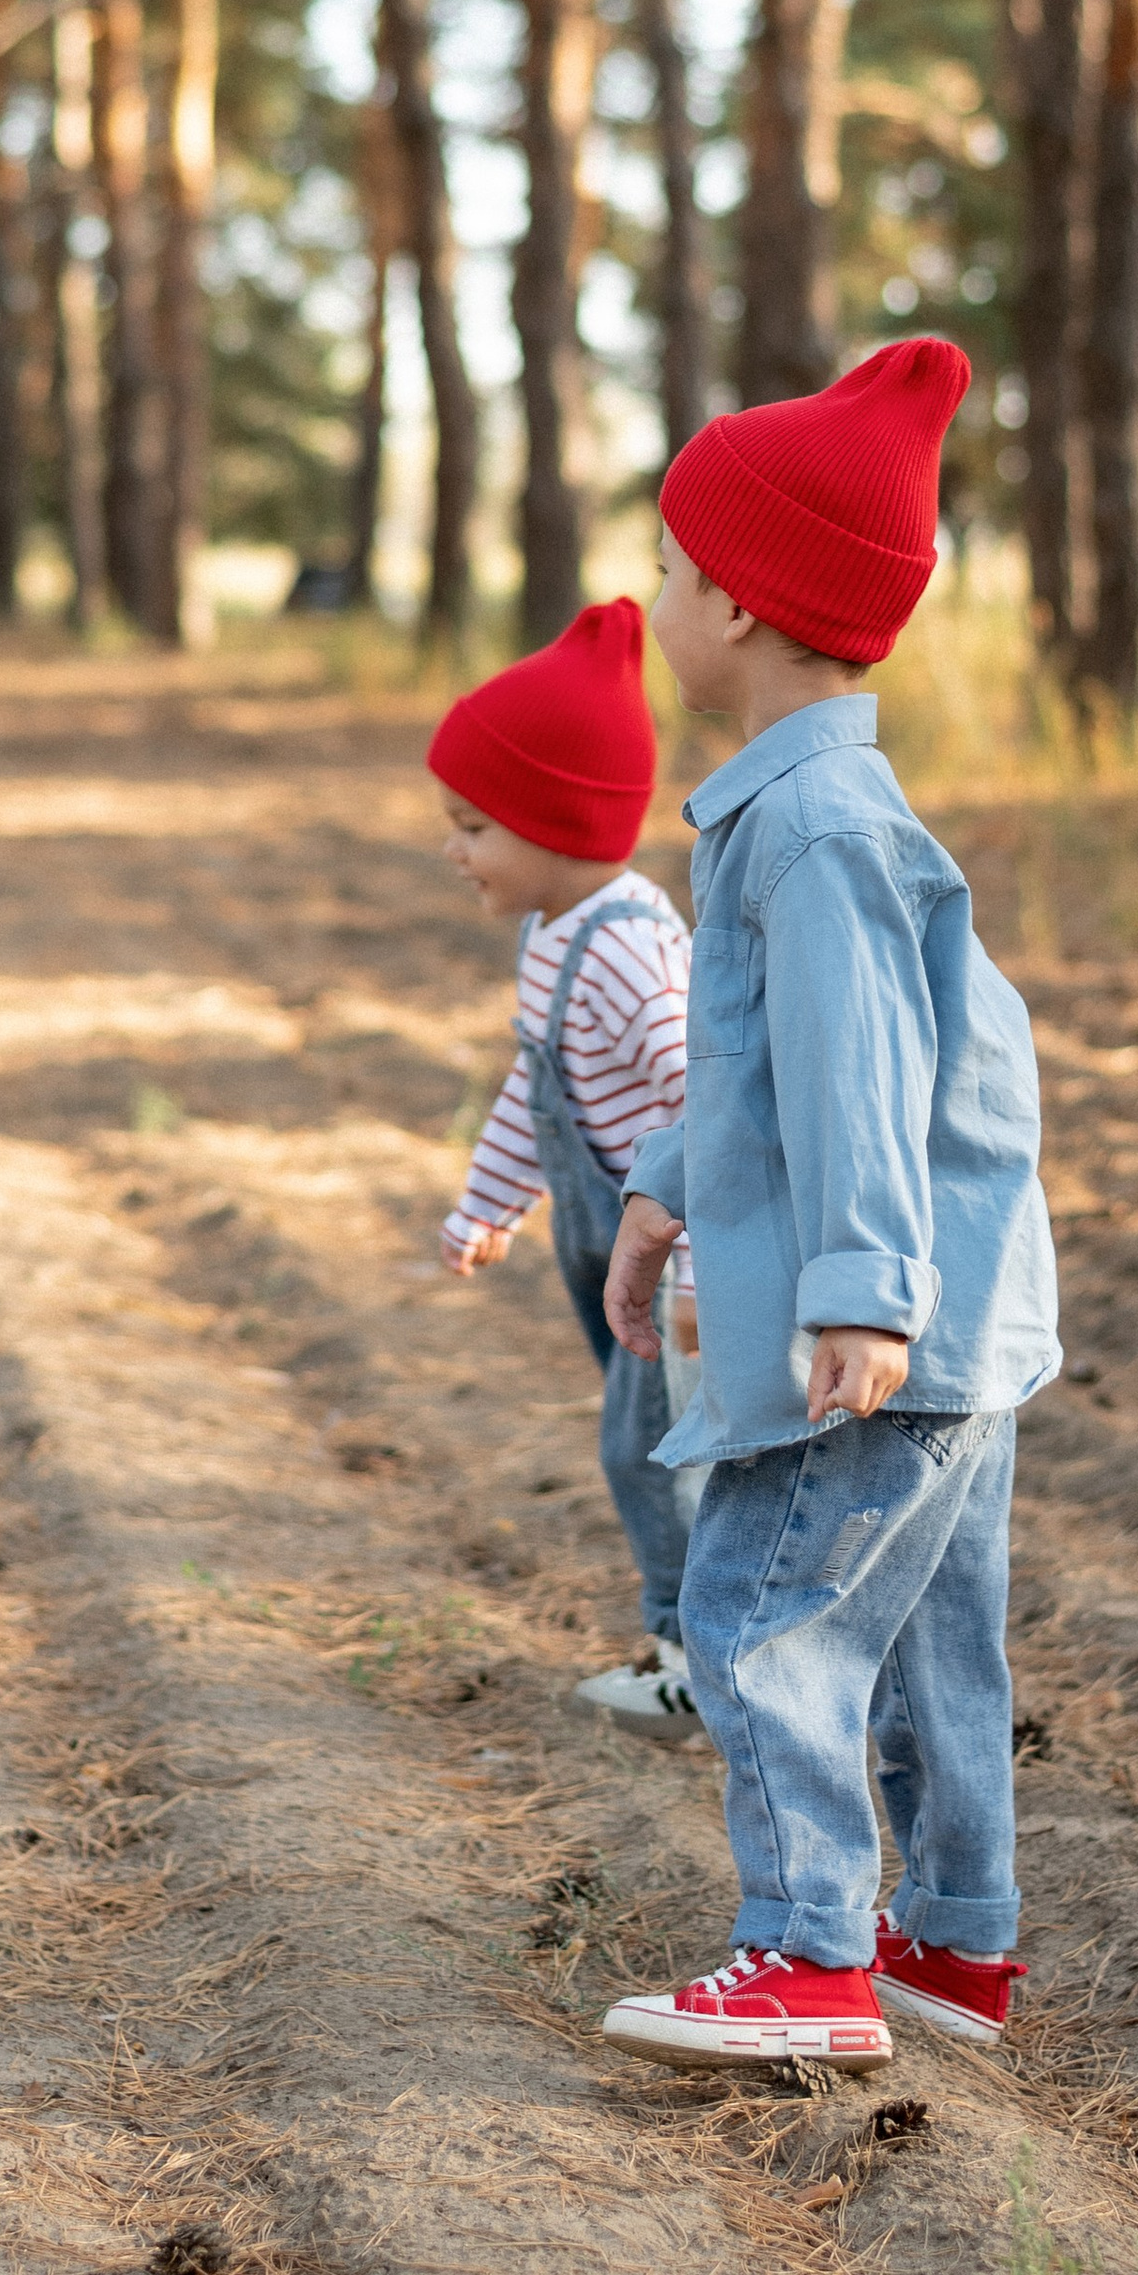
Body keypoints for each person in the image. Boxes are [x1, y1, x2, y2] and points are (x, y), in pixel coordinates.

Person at [594, 340, 1060, 2066]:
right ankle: (955, 1946)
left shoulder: (807, 832)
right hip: (965, 1309)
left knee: (762, 1607)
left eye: (667, 564)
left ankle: (804, 1959)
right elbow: (769, 1067)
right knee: (939, 1640)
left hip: (894, 1312)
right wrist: (661, 1186)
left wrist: (858, 1283)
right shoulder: (814, 811)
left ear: (736, 601)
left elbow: (859, 1069)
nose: (652, 592)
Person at [430, 599, 709, 1743]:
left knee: (648, 1452)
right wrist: (490, 1197)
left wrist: (695, 1256)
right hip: (603, 1250)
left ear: (553, 822)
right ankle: (699, 1645)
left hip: (677, 1261)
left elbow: (715, 1101)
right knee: (645, 1446)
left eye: (471, 825)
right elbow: (533, 1085)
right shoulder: (552, 935)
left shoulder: (631, 950)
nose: (452, 849)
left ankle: (694, 1657)